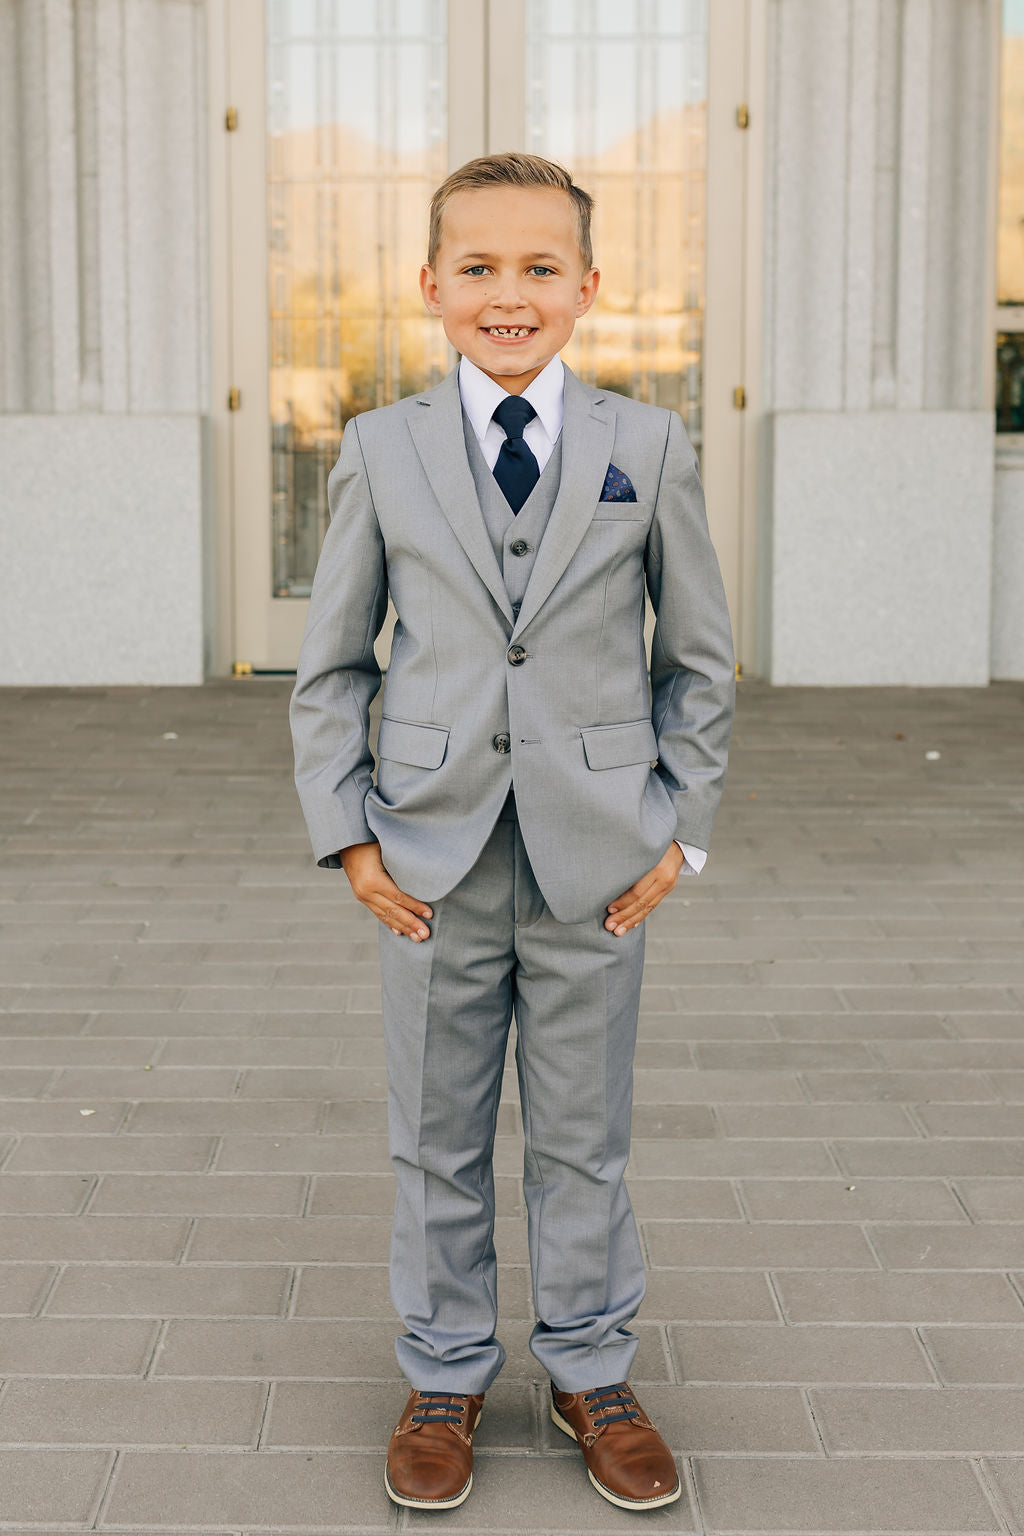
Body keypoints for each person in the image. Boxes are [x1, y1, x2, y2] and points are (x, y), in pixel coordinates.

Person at [289, 152, 735, 1515]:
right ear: (431, 288)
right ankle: (443, 1369)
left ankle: (592, 1367)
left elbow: (698, 662)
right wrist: (350, 841)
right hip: (429, 852)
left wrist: (684, 827)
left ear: (589, 288)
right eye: (478, 267)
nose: (509, 294)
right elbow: (335, 665)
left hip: (601, 853)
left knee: (585, 1130)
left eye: (540, 267)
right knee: (437, 1130)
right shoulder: (382, 447)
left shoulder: (647, 447)